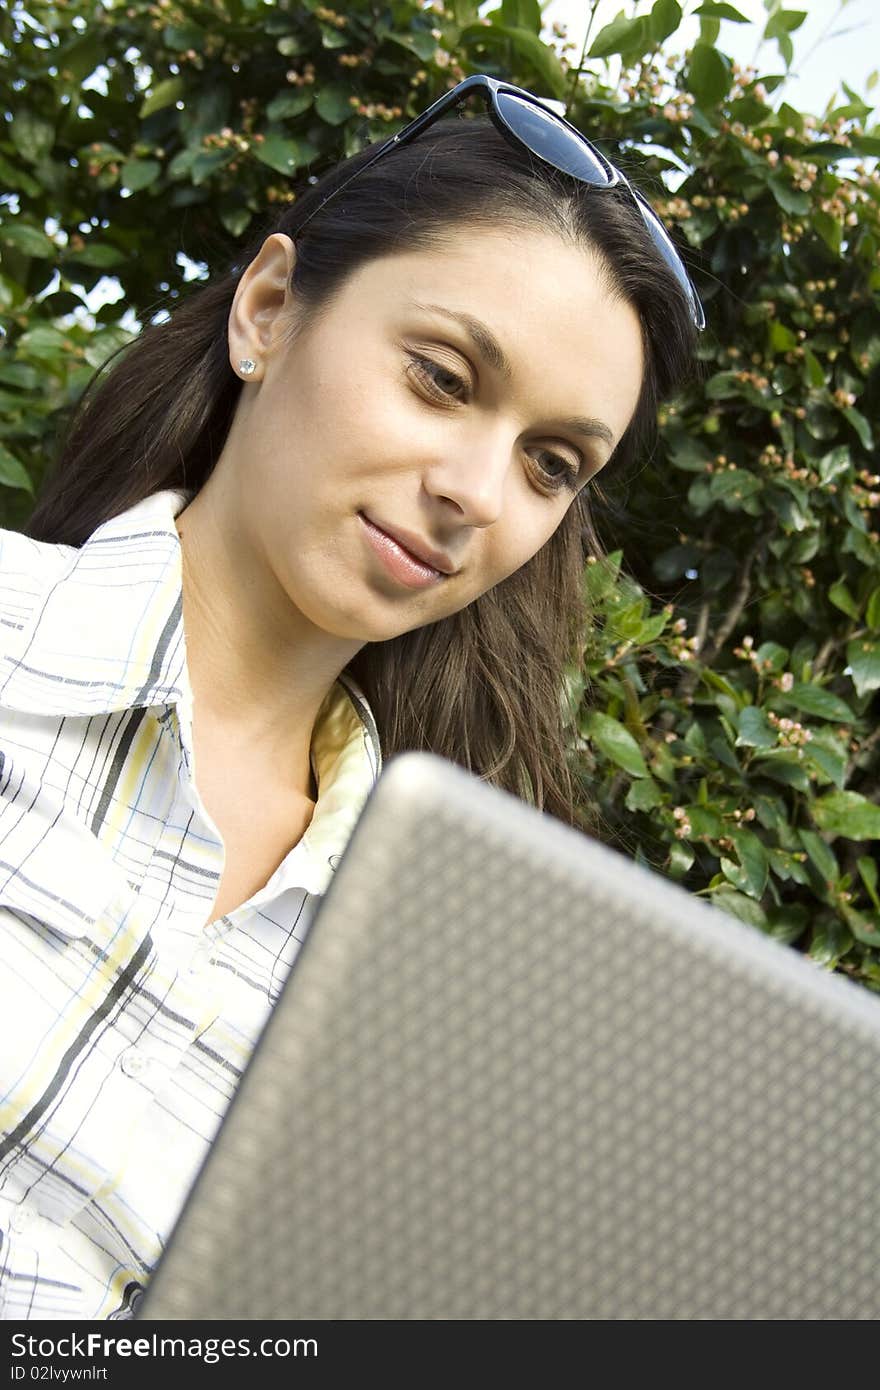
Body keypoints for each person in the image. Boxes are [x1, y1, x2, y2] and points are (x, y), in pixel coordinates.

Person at [0, 75, 702, 1319]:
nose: (481, 493)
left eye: (553, 465)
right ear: (267, 311)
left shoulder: (443, 983)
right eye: (440, 377)